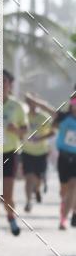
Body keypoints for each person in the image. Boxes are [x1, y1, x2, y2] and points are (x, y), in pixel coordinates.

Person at [0, 70, 27, 242]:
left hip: (10, 152)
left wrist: (16, 130)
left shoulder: (17, 107)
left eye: (3, 82)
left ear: (9, 85)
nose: (0, 86)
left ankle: (10, 216)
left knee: (7, 196)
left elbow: (24, 132)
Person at [22, 94, 54, 212]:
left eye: (34, 102)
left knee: (38, 178)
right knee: (29, 177)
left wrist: (40, 138)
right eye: (29, 103)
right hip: (27, 151)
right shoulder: (24, 116)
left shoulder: (44, 117)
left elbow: (53, 131)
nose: (32, 105)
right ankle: (28, 201)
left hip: (41, 152)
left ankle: (37, 189)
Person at [54, 92, 76, 229]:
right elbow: (52, 122)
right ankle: (64, 206)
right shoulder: (64, 118)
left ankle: (64, 219)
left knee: (73, 186)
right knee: (64, 189)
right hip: (63, 156)